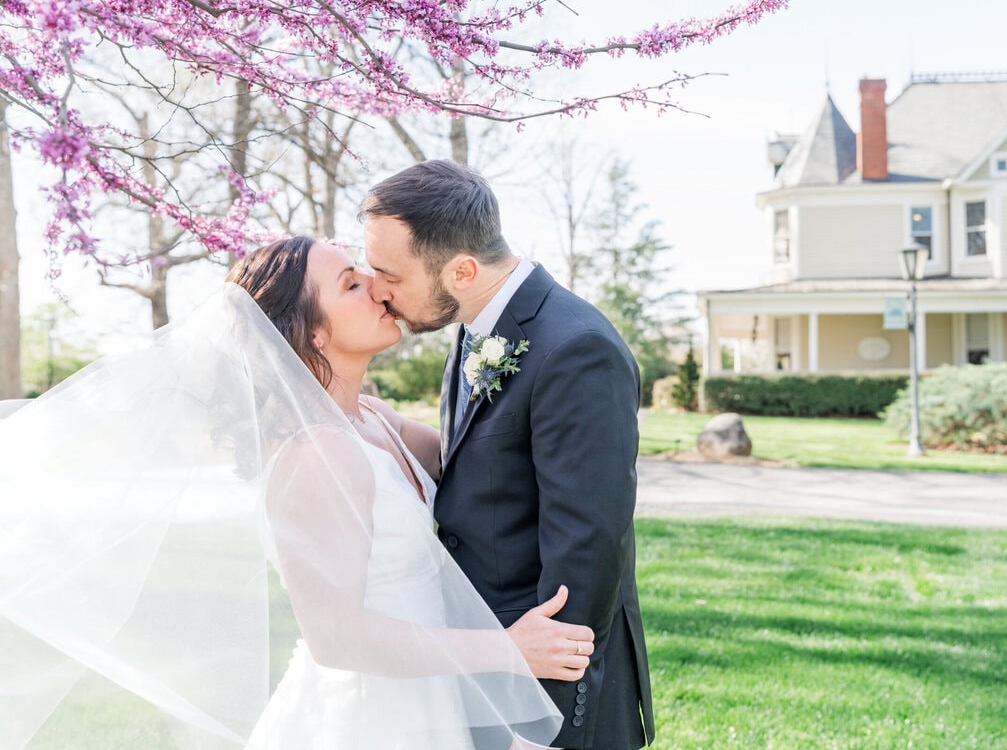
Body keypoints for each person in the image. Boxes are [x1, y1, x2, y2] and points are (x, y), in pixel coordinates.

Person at [0, 235, 593, 749]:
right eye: (351, 285)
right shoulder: (316, 454)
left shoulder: (374, 419)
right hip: (368, 715)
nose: (379, 287)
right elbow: (336, 636)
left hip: (431, 693)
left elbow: (486, 469)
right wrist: (508, 652)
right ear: (310, 332)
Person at [361, 160, 654, 750]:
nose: (377, 290)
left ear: (462, 270)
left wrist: (541, 720)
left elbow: (588, 546)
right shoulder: (475, 328)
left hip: (548, 688)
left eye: (388, 273)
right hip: (490, 659)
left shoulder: (576, 348)